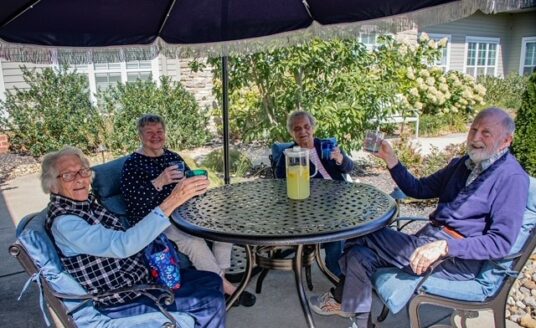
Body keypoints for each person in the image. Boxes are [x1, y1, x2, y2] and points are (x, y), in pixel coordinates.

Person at [309, 107, 529, 328]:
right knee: (358, 255)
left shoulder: (511, 178)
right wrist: (391, 159)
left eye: (485, 133)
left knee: (363, 233)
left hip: (456, 260)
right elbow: (419, 188)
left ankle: (341, 297)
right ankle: (361, 323)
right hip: (427, 243)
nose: (475, 138)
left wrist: (445, 247)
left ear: (506, 140)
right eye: (473, 130)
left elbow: (500, 243)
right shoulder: (464, 164)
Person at [42, 146, 225, 328]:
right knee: (209, 301)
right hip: (119, 299)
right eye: (68, 175)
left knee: (211, 280)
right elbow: (123, 245)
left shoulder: (85, 204)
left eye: (82, 171)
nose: (80, 179)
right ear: (52, 185)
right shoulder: (66, 223)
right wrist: (174, 199)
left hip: (140, 279)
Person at [120, 114, 255, 306]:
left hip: (184, 212)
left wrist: (197, 186)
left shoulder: (172, 157)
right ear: (140, 136)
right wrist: (159, 181)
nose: (156, 136)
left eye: (159, 131)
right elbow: (133, 201)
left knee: (225, 226)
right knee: (194, 241)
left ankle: (219, 277)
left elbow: (185, 186)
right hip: (156, 219)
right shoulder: (132, 164)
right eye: (149, 132)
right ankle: (229, 289)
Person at [276, 111, 354, 276]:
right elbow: (279, 182)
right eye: (297, 129)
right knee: (336, 230)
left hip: (339, 197)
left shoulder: (327, 145)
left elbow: (349, 168)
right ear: (292, 133)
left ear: (313, 128)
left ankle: (358, 264)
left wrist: (340, 159)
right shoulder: (290, 154)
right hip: (312, 204)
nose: (303, 132)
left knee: (360, 225)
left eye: (306, 126)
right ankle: (337, 269)